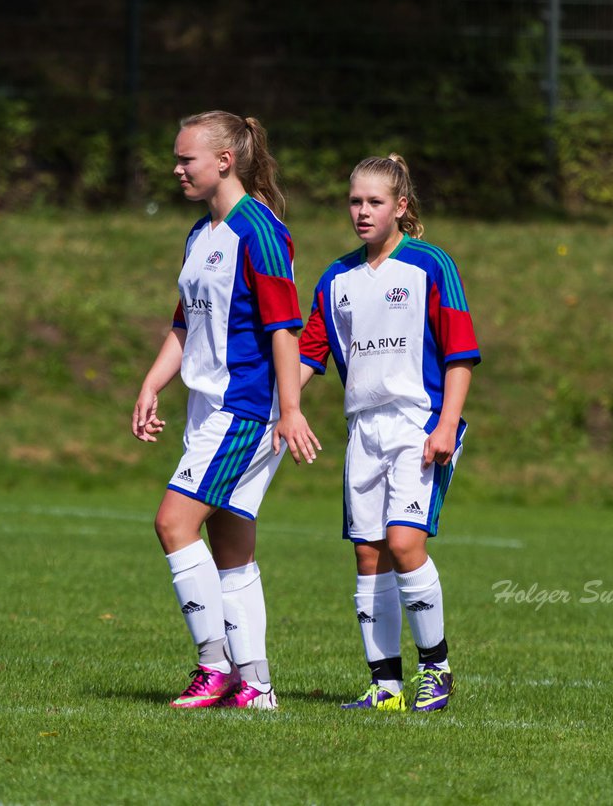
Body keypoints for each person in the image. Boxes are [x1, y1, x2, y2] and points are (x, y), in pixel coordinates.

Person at [131, 110, 320, 710]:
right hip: (206, 409)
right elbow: (185, 324)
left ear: (223, 161)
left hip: (243, 411)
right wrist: (152, 384)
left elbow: (285, 330)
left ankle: (214, 665)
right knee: (233, 548)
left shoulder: (259, 231)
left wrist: (288, 409)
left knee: (173, 523)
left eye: (187, 158)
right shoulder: (199, 233)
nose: (177, 168)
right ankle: (256, 685)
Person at [298, 154, 479, 712]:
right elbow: (310, 351)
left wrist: (447, 423)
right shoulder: (338, 277)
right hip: (363, 431)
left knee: (404, 544)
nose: (362, 211)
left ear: (401, 206)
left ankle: (438, 671)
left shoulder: (429, 264)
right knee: (369, 556)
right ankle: (386, 686)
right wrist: (284, 406)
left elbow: (460, 352)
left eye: (374, 202)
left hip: (418, 424)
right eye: (354, 201)